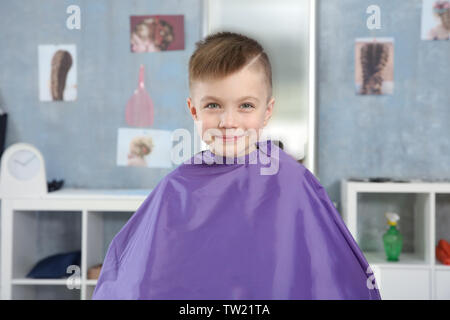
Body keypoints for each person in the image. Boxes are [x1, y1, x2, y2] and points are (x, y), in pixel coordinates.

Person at [92, 31, 382, 300]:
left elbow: (331, 276)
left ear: (267, 111)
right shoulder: (175, 189)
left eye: (245, 106)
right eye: (213, 105)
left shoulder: (293, 182)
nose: (228, 122)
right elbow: (136, 278)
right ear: (193, 109)